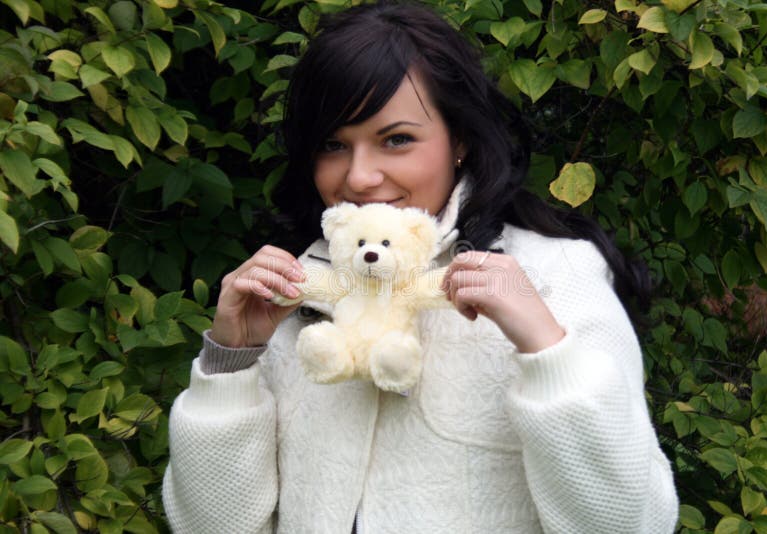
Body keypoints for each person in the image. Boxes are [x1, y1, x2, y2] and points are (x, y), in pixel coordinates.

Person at [162, 2, 680, 533]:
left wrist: (548, 354)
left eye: (397, 139)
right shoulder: (292, 291)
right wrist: (229, 366)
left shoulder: (555, 275)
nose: (360, 177)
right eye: (334, 145)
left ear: (459, 139)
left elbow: (631, 524)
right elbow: (212, 527)